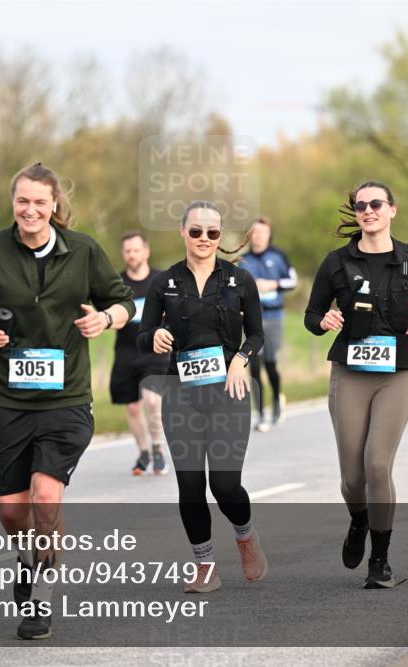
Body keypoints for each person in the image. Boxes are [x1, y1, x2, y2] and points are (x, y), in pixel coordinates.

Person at [0, 162, 134, 640]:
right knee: (13, 511)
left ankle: (42, 593)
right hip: (5, 398)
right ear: (13, 203)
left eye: (39, 202)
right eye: (22, 201)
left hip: (67, 396)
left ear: (55, 206)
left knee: (47, 494)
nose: (30, 210)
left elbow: (123, 300)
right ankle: (28, 555)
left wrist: (106, 320)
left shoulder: (84, 250)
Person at [305, 180, 408, 589]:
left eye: (376, 204)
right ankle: (359, 519)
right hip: (349, 372)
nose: (368, 210)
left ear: (392, 210)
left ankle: (380, 560)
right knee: (351, 477)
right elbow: (312, 315)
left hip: (396, 374)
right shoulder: (336, 262)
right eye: (361, 205)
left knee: (377, 463)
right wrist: (323, 321)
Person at [137, 200, 268, 593]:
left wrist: (241, 359)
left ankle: (245, 536)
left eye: (212, 233)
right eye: (196, 231)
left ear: (220, 234)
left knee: (225, 486)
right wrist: (156, 337)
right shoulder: (165, 283)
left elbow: (257, 335)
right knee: (191, 486)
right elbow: (143, 336)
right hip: (181, 394)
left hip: (230, 391)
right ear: (183, 233)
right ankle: (205, 566)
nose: (204, 239)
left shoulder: (239, 279)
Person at [110, 231, 170, 476]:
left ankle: (157, 447)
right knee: (133, 408)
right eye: (127, 251)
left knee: (153, 400)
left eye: (136, 250)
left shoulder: (161, 280)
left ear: (146, 252)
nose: (131, 255)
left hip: (154, 351)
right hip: (126, 351)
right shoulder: (117, 283)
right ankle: (143, 452)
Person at [239, 216, 297, 432]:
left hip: (274, 317)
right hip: (252, 318)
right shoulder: (243, 260)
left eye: (262, 232)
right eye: (254, 232)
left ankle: (276, 404)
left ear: (268, 234)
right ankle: (261, 413)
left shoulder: (279, 255)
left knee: (270, 364)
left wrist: (273, 283)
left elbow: (293, 281)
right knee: (254, 364)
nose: (258, 236)